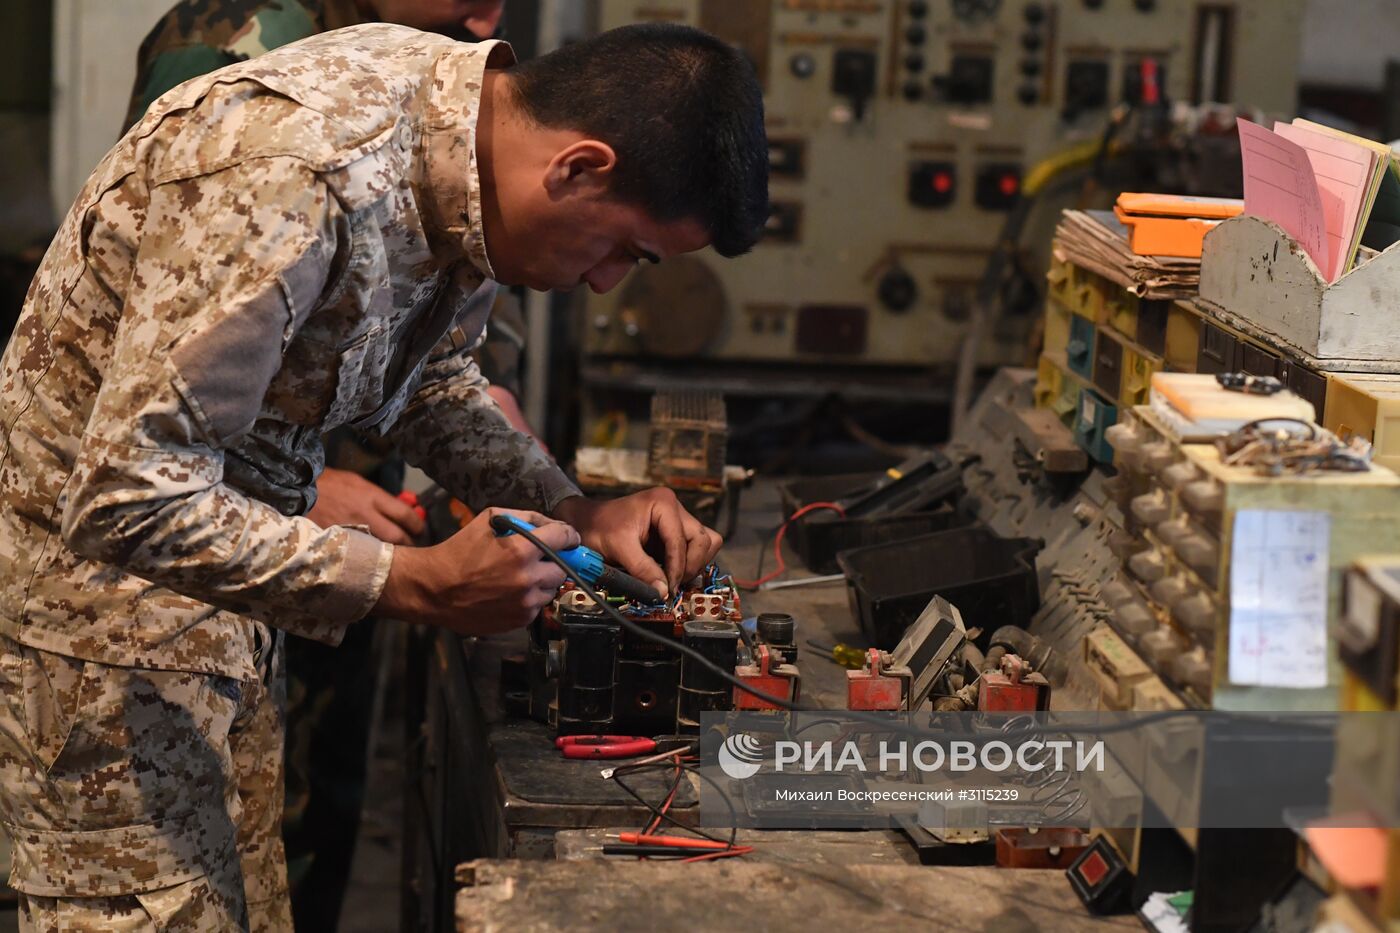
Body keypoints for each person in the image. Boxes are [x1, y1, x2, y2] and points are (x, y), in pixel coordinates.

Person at [0, 20, 766, 932]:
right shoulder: (294, 171)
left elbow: (428, 381)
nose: (606, 286)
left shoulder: (468, 155)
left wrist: (570, 505)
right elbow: (130, 491)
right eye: (626, 253)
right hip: (102, 644)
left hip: (225, 622)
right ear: (579, 168)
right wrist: (410, 582)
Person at [123, 4, 516, 926]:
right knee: (220, 845)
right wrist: (305, 487)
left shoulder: (435, 65)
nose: (483, 16)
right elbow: (167, 343)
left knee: (319, 798)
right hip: (210, 545)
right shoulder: (234, 55)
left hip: (342, 518)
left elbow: (402, 329)